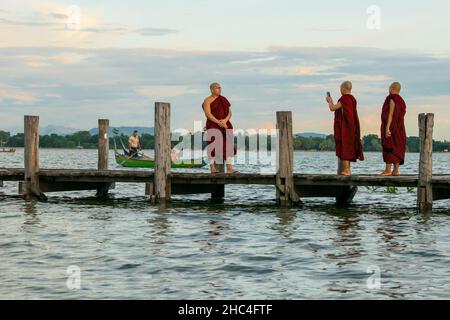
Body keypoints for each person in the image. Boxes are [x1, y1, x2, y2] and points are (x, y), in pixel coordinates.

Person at [326, 81, 364, 176]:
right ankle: (347, 170)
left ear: (343, 89)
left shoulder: (344, 99)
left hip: (346, 128)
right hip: (353, 126)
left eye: (340, 89)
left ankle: (346, 170)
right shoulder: (353, 99)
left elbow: (333, 108)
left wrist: (330, 101)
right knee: (348, 147)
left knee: (345, 147)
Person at [202, 82, 238, 174]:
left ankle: (229, 168)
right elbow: (208, 115)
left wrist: (224, 121)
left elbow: (230, 113)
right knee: (213, 145)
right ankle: (212, 168)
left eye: (220, 88)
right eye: (217, 88)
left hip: (226, 124)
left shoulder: (223, 99)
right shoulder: (207, 100)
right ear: (212, 89)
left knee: (228, 146)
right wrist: (219, 122)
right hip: (213, 124)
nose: (219, 89)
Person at [379, 82, 407, 176]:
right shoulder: (402, 101)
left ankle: (387, 170)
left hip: (392, 127)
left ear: (391, 88)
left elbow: (391, 114)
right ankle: (396, 170)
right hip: (400, 128)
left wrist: (387, 128)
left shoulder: (392, 98)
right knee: (397, 147)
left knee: (389, 146)